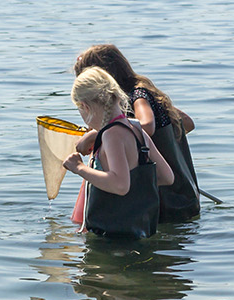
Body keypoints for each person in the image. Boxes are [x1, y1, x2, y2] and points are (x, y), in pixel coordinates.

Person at [72, 44, 201, 222]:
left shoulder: (138, 95)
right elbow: (187, 123)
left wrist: (101, 134)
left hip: (164, 202)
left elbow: (147, 125)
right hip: (186, 194)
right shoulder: (150, 93)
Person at [63, 67, 174, 238]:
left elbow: (120, 185)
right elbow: (167, 177)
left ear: (84, 106)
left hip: (114, 240)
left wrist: (78, 168)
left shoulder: (111, 135)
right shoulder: (137, 129)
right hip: (142, 231)